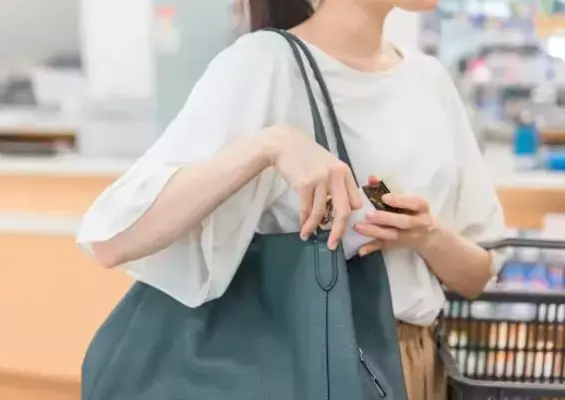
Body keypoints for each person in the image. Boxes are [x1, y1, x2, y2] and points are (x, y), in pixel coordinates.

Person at [77, 0, 506, 399]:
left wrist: (427, 236)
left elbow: (478, 276)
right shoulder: (265, 65)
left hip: (421, 365)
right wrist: (270, 145)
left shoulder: (430, 81)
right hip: (315, 368)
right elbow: (113, 238)